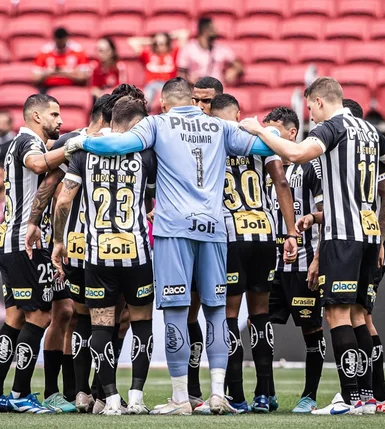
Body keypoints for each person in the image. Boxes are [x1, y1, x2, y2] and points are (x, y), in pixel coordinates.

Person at [64, 77, 291, 415]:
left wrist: (79, 143)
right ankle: (217, 394)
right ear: (192, 101)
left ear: (166, 103)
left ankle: (181, 398)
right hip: (214, 230)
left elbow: (118, 146)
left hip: (174, 230)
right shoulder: (218, 127)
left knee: (177, 311)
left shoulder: (157, 123)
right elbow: (268, 148)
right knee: (216, 311)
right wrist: (257, 128)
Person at [239, 77, 385, 415]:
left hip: (342, 234)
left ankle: (350, 399)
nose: (311, 117)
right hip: (369, 232)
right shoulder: (369, 130)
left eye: (310, 108)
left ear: (318, 101)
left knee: (336, 312)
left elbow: (297, 152)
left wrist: (259, 130)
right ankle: (366, 396)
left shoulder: (333, 127)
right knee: (359, 316)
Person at [25, 90, 144, 413]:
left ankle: (98, 390)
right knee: (79, 317)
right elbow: (50, 184)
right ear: (110, 115)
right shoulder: (75, 142)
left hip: (100, 245)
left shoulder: (100, 144)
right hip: (81, 245)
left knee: (112, 319)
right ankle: (74, 390)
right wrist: (38, 223)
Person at [53, 98, 154, 415]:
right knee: (141, 324)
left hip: (98, 254)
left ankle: (107, 400)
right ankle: (136, 397)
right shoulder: (145, 153)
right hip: (136, 251)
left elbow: (63, 202)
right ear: (136, 123)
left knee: (99, 325)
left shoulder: (83, 151)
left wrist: (59, 242)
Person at [0, 94, 70, 414]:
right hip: (24, 245)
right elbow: (37, 163)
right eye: (54, 114)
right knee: (39, 316)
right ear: (35, 116)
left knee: (16, 317)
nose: (60, 121)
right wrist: (75, 145)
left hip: (10, 243)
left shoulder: (24, 142)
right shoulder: (28, 142)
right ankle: (20, 394)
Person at [210, 96, 299, 413]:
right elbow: (281, 182)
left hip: (231, 236)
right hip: (263, 233)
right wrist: (290, 232)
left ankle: (236, 395)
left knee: (230, 316)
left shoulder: (212, 141)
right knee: (260, 315)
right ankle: (264, 392)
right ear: (238, 114)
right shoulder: (259, 139)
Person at [263, 107, 325, 414]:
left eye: (275, 132)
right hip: (269, 266)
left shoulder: (310, 168)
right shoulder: (263, 166)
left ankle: (309, 395)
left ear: (291, 134)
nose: (269, 138)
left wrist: (317, 258)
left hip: (303, 266)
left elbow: (329, 214)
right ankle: (266, 393)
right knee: (260, 326)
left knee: (311, 330)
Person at [340, 98, 385, 414]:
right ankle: (371, 395)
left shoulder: (362, 148)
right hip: (366, 239)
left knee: (359, 316)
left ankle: (373, 394)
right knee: (357, 315)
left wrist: (381, 241)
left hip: (364, 242)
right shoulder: (368, 148)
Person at [183, 75, 224, 411]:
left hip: (224, 236)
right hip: (184, 233)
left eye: (206, 101)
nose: (198, 107)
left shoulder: (227, 133)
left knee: (221, 311)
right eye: (194, 100)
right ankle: (193, 389)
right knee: (188, 310)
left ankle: (228, 391)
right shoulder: (180, 134)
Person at [177, 17, 243, 86]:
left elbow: (238, 65)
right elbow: (181, 74)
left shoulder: (221, 49)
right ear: (205, 30)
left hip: (217, 90)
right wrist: (189, 79)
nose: (216, 31)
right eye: (213, 28)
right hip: (195, 90)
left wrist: (235, 70)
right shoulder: (188, 49)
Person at [128, 30, 189, 103]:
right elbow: (132, 42)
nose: (160, 46)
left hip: (168, 84)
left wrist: (168, 37)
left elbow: (184, 34)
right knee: (147, 96)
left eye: (163, 43)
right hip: (152, 84)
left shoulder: (174, 54)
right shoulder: (148, 55)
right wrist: (152, 41)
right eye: (157, 44)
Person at [33, 27, 89, 92]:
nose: (60, 44)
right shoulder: (45, 51)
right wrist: (49, 73)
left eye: (62, 42)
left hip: (72, 87)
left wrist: (64, 72)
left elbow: (83, 78)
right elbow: (35, 78)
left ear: (67, 39)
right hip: (48, 88)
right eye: (58, 42)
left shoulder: (78, 50)